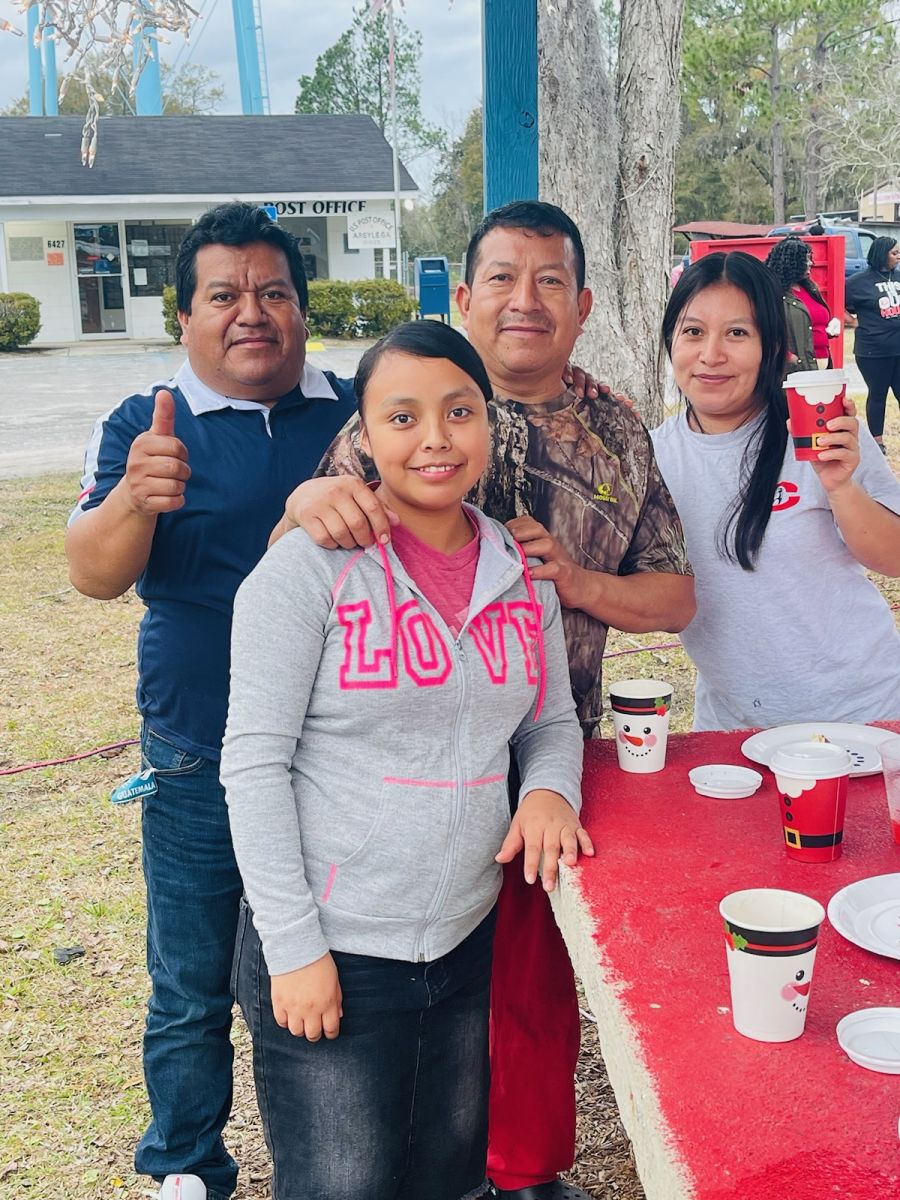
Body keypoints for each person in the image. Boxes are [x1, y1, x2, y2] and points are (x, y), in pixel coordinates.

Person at [274, 200, 696, 1200]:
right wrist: (301, 507)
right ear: (464, 297)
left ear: (585, 305)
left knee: (529, 990)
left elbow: (675, 592)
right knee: (426, 999)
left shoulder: (615, 429)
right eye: (502, 277)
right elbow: (301, 565)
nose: (526, 299)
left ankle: (528, 1168)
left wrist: (581, 585)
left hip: (550, 757)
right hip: (396, 774)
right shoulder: (395, 416)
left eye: (551, 280)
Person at [220, 320, 587, 1200]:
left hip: (467, 940)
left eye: (459, 412)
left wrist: (546, 792)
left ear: (488, 425)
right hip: (337, 951)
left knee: (451, 1179)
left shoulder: (515, 564)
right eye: (402, 416)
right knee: (342, 1186)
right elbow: (253, 767)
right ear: (364, 435)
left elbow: (551, 722)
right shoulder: (308, 570)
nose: (434, 439)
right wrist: (295, 950)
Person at [64, 202, 358, 1200]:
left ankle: (325, 1155)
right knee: (189, 987)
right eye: (223, 295)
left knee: (317, 970)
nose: (252, 313)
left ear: (304, 313)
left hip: (334, 753)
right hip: (196, 749)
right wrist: (131, 500)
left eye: (274, 292)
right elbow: (94, 575)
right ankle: (186, 1162)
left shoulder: (353, 412)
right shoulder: (145, 423)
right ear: (183, 316)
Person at [652, 250, 900, 732]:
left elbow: (894, 558)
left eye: (737, 333)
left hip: (863, 716)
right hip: (733, 730)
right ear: (671, 342)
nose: (711, 355)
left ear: (772, 345)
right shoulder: (651, 458)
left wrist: (841, 486)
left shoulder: (822, 431)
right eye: (693, 331)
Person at [845, 235, 900, 452]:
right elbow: (837, 304)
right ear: (881, 255)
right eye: (894, 253)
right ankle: (877, 440)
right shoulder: (858, 282)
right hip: (873, 350)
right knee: (878, 393)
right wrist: (852, 321)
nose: (898, 257)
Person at [765, 236, 839, 371]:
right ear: (791, 263)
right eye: (806, 259)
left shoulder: (810, 288)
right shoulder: (772, 294)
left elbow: (808, 325)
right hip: (795, 370)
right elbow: (764, 333)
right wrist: (789, 357)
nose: (811, 263)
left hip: (822, 363)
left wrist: (829, 329)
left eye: (810, 258)